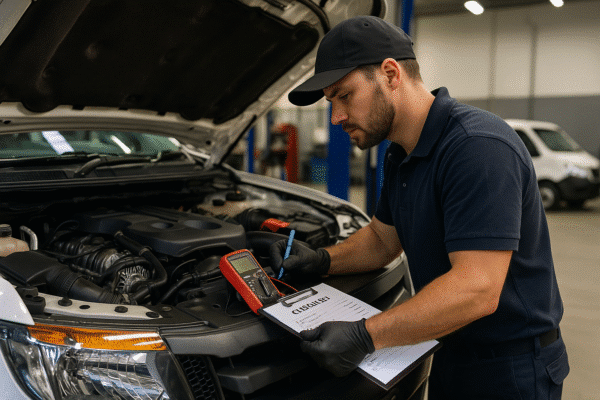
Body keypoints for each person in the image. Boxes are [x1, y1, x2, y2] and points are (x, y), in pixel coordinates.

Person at [270, 16, 569, 399]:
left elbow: (477, 288)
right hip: (447, 350)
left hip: (510, 372)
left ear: (391, 74)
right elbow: (382, 239)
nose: (337, 117)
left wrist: (366, 335)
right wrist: (320, 260)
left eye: (344, 96)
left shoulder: (477, 147)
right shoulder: (401, 154)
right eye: (331, 102)